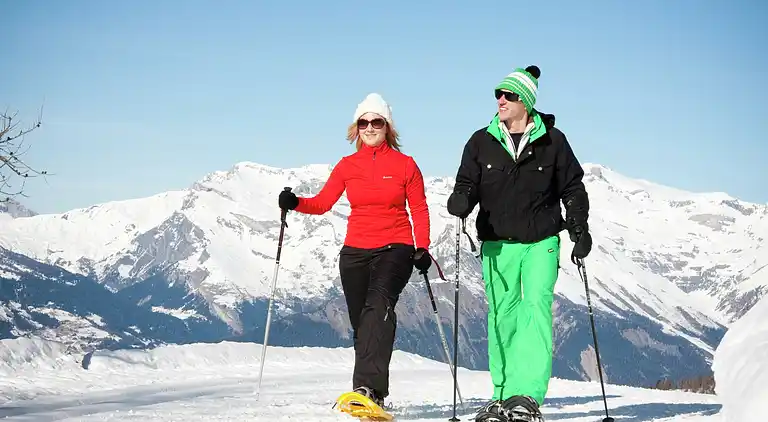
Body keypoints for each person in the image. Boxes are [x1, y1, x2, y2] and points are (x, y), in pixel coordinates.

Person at [446, 65, 592, 422]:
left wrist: (578, 228)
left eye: (509, 95)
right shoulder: (480, 141)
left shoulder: (553, 142)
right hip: (497, 244)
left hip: (541, 241)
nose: (501, 100)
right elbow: (467, 182)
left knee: (536, 311)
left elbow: (572, 187)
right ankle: (501, 395)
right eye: (499, 94)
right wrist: (461, 199)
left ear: (525, 101)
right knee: (502, 316)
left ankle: (526, 396)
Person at [278, 92, 433, 407]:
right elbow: (322, 203)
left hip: (396, 247)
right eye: (364, 122)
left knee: (378, 307)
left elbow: (419, 208)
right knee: (363, 323)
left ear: (387, 126)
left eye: (377, 121)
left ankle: (369, 391)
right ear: (357, 127)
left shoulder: (405, 165)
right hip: (355, 252)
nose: (370, 127)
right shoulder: (348, 166)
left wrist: (422, 247)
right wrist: (294, 203)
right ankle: (367, 391)